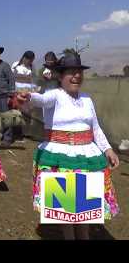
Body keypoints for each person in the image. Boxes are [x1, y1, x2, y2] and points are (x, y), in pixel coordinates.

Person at [17, 50, 119, 240]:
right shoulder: (54, 95)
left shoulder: (87, 100)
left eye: (79, 72)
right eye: (71, 72)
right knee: (65, 207)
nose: (77, 76)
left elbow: (95, 127)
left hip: (87, 156)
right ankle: (69, 236)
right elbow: (40, 99)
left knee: (83, 206)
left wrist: (107, 149)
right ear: (61, 76)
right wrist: (28, 97)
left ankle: (84, 235)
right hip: (59, 155)